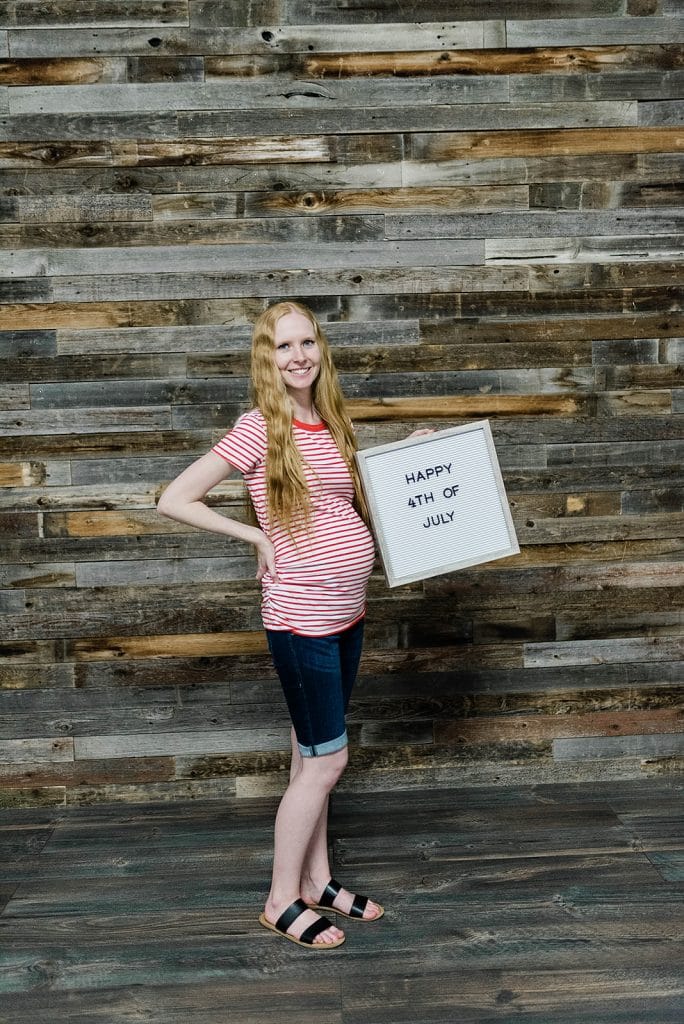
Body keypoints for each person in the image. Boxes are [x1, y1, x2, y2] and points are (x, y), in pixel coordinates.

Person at [157, 300, 385, 950]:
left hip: (347, 612)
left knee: (311, 750)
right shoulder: (261, 426)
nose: (298, 356)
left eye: (306, 342)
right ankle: (280, 898)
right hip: (300, 617)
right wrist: (254, 535)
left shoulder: (329, 419)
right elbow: (175, 498)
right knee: (326, 762)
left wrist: (421, 455)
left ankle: (318, 881)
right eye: (283, 347)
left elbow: (354, 499)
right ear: (267, 357)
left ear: (320, 348)